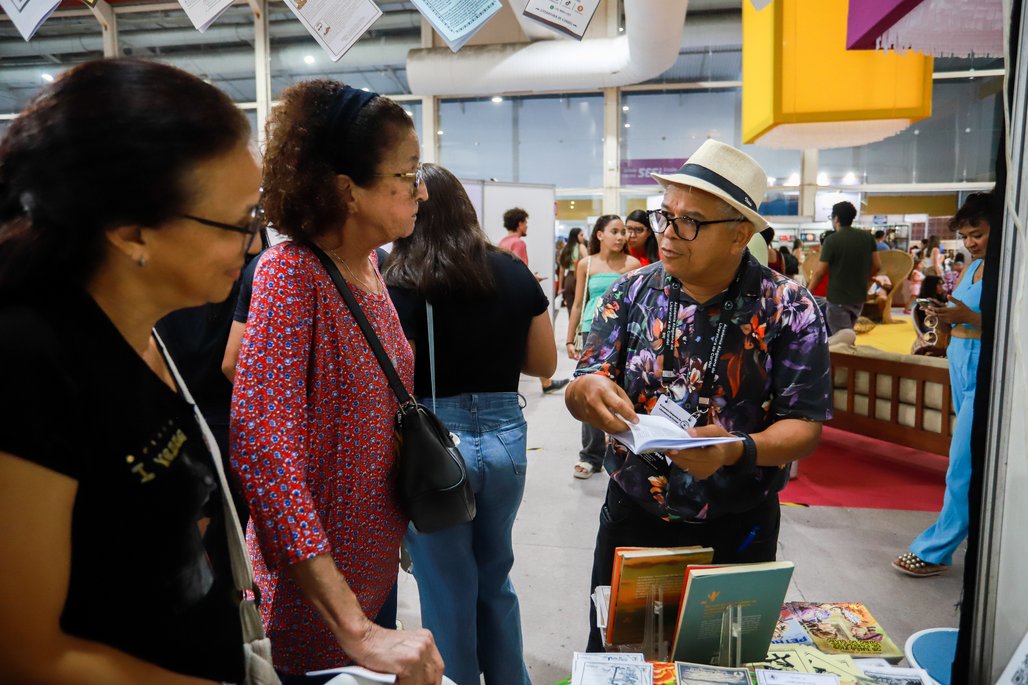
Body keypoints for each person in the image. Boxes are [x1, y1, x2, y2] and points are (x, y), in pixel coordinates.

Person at [0, 58, 261, 684]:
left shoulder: (144, 329)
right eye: (238, 224)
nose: (254, 245)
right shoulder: (28, 362)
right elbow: (27, 653)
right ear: (130, 231)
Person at [564, 139, 831, 652]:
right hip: (634, 515)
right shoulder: (631, 292)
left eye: (689, 222)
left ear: (739, 234)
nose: (667, 233)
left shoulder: (788, 307)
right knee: (620, 657)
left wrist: (736, 449)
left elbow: (804, 425)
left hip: (737, 525)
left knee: (722, 658)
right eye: (665, 216)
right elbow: (584, 383)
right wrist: (586, 389)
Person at [229, 81, 443, 684]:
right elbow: (263, 451)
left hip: (373, 568)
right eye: (408, 172)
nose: (422, 188)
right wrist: (354, 625)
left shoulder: (369, 266)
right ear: (349, 190)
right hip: (316, 596)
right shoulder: (290, 275)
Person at [384, 163, 557, 685]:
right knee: (495, 576)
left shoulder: (399, 280)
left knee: (446, 585)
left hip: (435, 444)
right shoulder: (512, 271)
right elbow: (544, 364)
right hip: (506, 438)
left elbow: (393, 377)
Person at [893, 192, 992, 577]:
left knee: (962, 462)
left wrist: (970, 317)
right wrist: (944, 329)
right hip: (959, 359)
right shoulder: (973, 268)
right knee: (967, 457)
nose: (970, 243)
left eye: (977, 234)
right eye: (965, 236)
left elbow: (1010, 323)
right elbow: (961, 315)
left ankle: (935, 549)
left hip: (984, 364)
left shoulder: (1009, 271)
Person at [565, 215, 641, 479]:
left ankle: (625, 452)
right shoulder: (586, 263)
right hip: (592, 330)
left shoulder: (632, 264)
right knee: (590, 389)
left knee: (623, 389)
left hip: (624, 331)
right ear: (600, 235)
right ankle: (590, 455)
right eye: (615, 231)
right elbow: (577, 303)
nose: (621, 237)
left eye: (623, 232)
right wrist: (569, 337)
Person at [498, 206, 569, 394]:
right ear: (520, 223)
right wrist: (533, 278)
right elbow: (519, 271)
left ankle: (546, 382)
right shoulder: (518, 243)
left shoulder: (502, 242)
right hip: (517, 298)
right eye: (525, 222)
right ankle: (546, 381)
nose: (527, 226)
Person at [807, 202, 881, 335]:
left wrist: (808, 292)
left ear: (836, 218)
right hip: (859, 297)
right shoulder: (867, 238)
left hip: (838, 298)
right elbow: (877, 265)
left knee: (840, 338)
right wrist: (865, 279)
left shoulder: (832, 240)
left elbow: (820, 272)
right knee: (848, 333)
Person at [558, 227, 586, 312]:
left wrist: (560, 287)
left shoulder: (565, 249)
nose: (583, 237)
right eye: (581, 235)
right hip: (579, 278)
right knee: (581, 307)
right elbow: (588, 262)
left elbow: (561, 271)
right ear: (576, 236)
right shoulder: (581, 247)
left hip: (568, 279)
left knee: (570, 308)